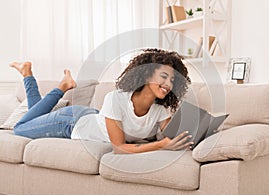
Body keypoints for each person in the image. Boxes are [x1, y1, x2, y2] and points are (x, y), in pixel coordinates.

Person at [11, 48, 193, 154]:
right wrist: (161, 145)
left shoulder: (161, 110)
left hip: (94, 117)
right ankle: (62, 87)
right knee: (20, 128)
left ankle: (27, 73)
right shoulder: (116, 98)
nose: (168, 84)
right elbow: (119, 148)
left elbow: (173, 137)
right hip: (71, 122)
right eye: (163, 76)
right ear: (146, 74)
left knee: (34, 113)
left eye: (172, 80)